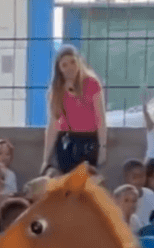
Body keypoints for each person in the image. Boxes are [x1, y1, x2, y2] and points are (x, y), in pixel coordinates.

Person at [41, 45, 107, 174]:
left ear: (79, 62)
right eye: (64, 65)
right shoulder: (56, 90)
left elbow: (101, 119)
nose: (69, 67)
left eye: (73, 62)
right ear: (59, 69)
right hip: (66, 141)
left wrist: (102, 148)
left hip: (89, 140)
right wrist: (46, 158)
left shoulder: (92, 84)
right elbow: (53, 124)